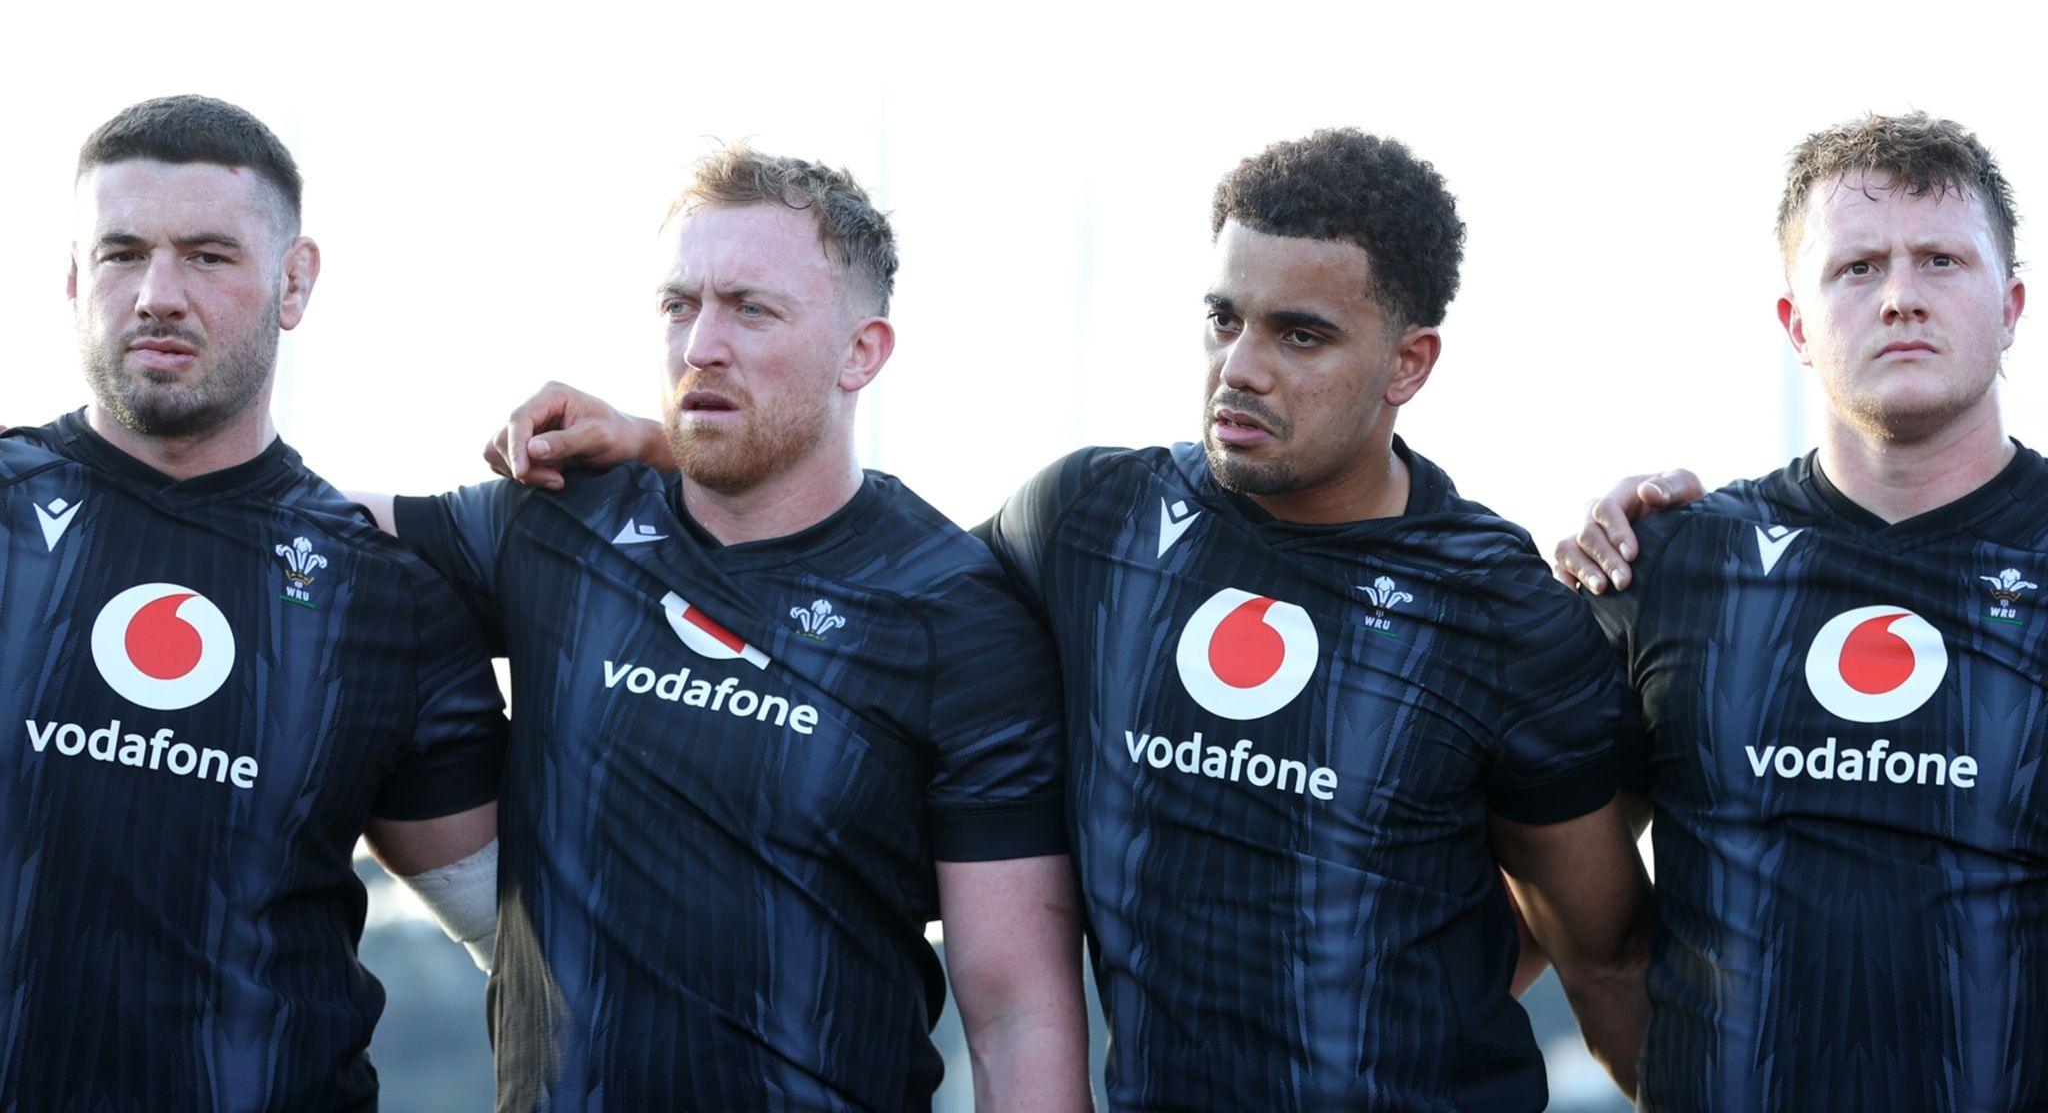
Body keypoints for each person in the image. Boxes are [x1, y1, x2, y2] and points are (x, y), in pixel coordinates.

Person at [499, 130, 1653, 1111]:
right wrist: (680, 448)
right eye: (1220, 319)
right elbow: (873, 576)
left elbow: (1595, 945)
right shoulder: (1088, 523)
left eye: (1298, 335)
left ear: (1408, 363)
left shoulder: (1494, 601)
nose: (1237, 369)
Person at [366, 147, 1090, 1111]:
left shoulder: (955, 617)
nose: (702, 343)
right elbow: (302, 536)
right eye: (680, 305)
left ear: (861, 352)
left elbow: (1016, 1020)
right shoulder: (559, 522)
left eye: (752, 308)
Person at [0, 95, 506, 1112]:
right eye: (121, 253)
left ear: (294, 281)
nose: (157, 294)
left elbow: (522, 939)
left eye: (208, 255)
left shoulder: (384, 597)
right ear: (70, 277)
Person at [1554, 111, 2044, 1111]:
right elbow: (1572, 923)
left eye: (1940, 261)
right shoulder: (1672, 565)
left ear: (2008, 306)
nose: (1900, 297)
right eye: (1855, 269)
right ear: (1794, 325)